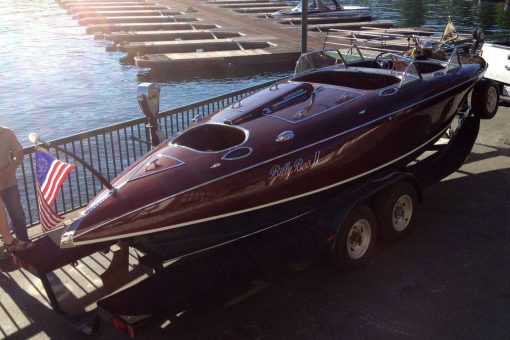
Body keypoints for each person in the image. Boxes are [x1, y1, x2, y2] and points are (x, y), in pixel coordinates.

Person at [0, 126, 30, 243]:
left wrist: (9, 170)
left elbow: (19, 154)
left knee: (18, 216)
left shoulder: (7, 133)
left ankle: (24, 244)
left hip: (9, 184)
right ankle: (10, 245)